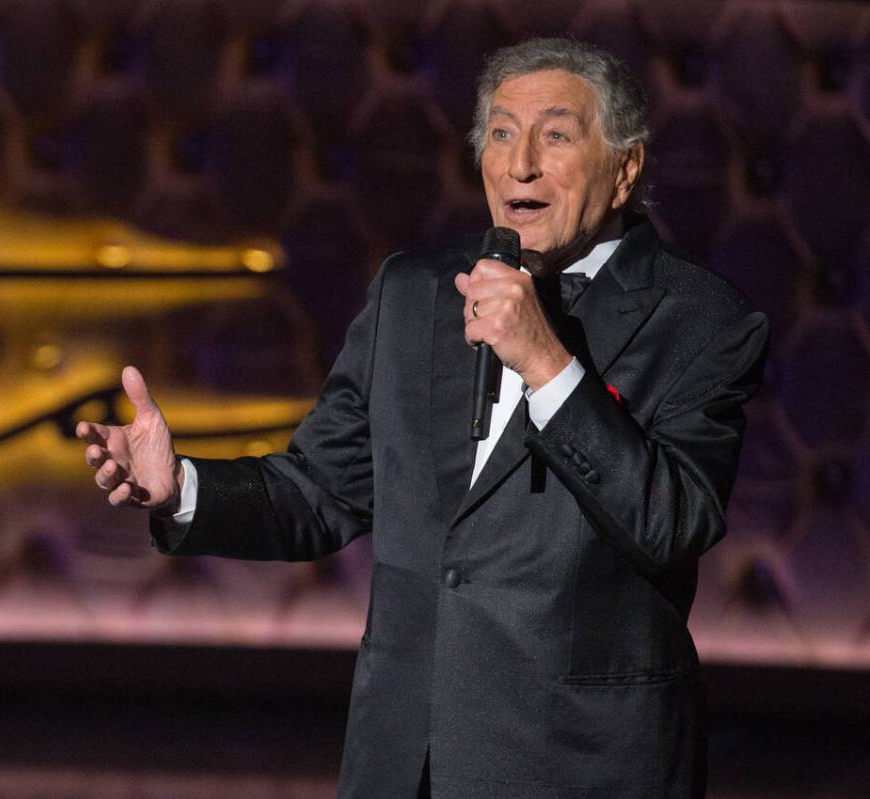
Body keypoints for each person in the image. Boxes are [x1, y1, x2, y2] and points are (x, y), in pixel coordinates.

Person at [77, 38, 768, 798]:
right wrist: (178, 486)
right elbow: (320, 490)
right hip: (404, 760)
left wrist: (546, 364)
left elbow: (670, 520)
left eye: (556, 135)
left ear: (625, 169)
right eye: (500, 133)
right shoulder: (413, 291)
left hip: (583, 763)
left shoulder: (702, 319)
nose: (520, 164)